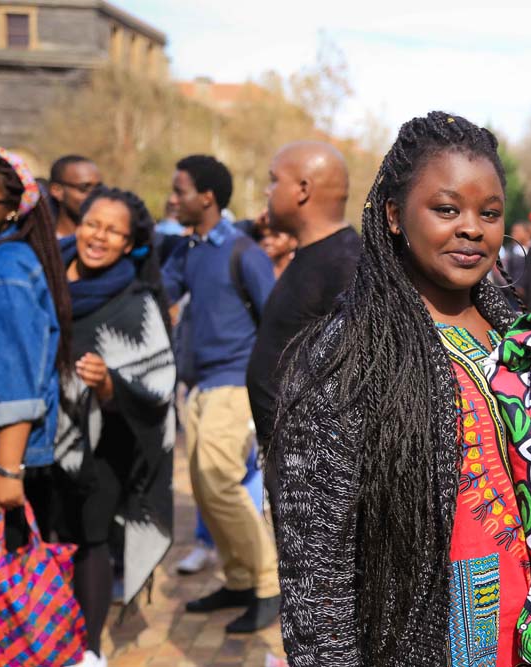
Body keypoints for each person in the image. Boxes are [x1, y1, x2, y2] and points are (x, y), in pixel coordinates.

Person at [272, 112, 527, 666]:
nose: (471, 228)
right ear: (393, 215)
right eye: (446, 209)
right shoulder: (348, 355)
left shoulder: (523, 337)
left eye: (489, 213)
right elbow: (317, 567)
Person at [41, 187, 176, 667]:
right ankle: (43, 632)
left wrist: (107, 386)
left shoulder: (136, 303)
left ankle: (90, 650)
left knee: (89, 539)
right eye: (93, 223)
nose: (99, 237)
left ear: (128, 243)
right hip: (37, 436)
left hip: (104, 446)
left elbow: (157, 388)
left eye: (113, 231)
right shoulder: (44, 273)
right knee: (42, 533)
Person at [161, 154, 280, 633]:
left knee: (223, 485)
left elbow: (276, 319)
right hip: (199, 388)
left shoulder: (241, 250)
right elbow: (159, 291)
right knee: (206, 491)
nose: (173, 199)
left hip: (234, 384)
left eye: (180, 190)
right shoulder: (188, 249)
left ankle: (270, 585)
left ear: (206, 197)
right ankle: (237, 580)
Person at [246, 140, 359, 521]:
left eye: (273, 180)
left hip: (315, 476)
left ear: (303, 190)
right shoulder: (310, 255)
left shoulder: (346, 263)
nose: (267, 191)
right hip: (288, 462)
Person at [0, 147, 70, 519]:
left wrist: (7, 471)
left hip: (5, 459)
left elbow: (17, 379)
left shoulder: (7, 270)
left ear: (11, 207)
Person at [48, 155, 102, 239]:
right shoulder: (40, 242)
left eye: (98, 188)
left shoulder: (102, 241)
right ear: (56, 191)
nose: (95, 195)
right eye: (84, 187)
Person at [253, 209, 297, 279]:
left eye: (275, 236)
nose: (267, 241)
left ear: (293, 241)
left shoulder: (300, 271)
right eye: (262, 237)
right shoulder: (255, 273)